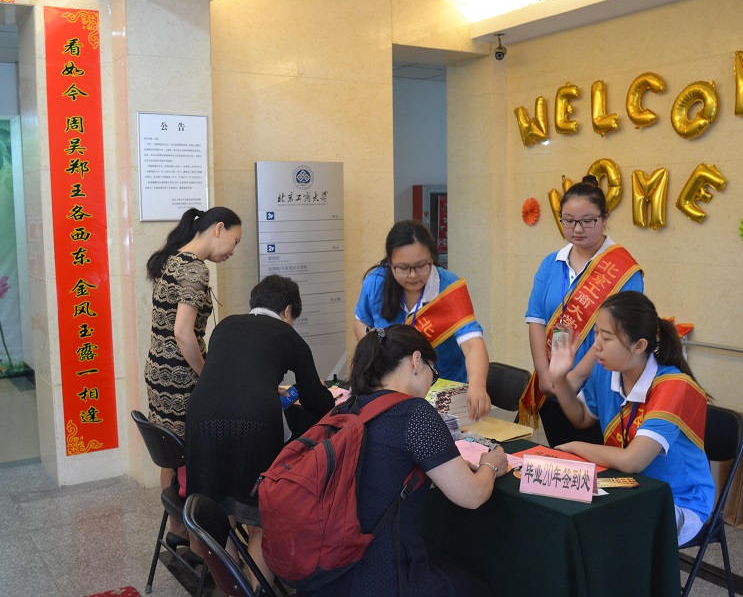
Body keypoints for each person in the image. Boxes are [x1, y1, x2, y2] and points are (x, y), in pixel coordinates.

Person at [302, 324, 507, 597]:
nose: (431, 383)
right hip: (383, 574)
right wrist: (490, 464)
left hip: (327, 570)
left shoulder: (347, 407)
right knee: (477, 588)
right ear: (416, 360)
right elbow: (473, 495)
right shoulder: (414, 412)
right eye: (434, 374)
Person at [185, 274, 335, 585]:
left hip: (201, 418)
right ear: (288, 310)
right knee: (260, 519)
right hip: (254, 423)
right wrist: (331, 397)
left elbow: (232, 375)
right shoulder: (288, 335)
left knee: (218, 509)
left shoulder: (225, 326)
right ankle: (257, 589)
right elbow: (315, 401)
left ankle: (232, 583)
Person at [548, 291, 714, 545]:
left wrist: (573, 447)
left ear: (639, 346)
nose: (596, 346)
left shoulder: (673, 386)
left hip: (679, 502)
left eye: (607, 337)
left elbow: (632, 461)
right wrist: (559, 378)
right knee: (562, 509)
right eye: (596, 334)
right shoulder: (607, 371)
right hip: (629, 488)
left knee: (600, 530)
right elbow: (581, 418)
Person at [521, 175, 644, 447]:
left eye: (587, 221)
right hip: (551, 390)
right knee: (561, 458)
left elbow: (617, 335)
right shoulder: (551, 263)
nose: (577, 229)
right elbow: (536, 319)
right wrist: (545, 373)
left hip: (599, 390)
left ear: (604, 218)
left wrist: (574, 378)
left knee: (595, 465)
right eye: (568, 221)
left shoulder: (625, 272)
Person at [144, 205, 242, 535]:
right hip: (181, 378)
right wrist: (207, 376)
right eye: (234, 241)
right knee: (193, 456)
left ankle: (177, 533)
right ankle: (199, 538)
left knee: (170, 453)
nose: (232, 251)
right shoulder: (195, 269)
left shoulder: (172, 258)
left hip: (158, 371)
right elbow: (183, 333)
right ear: (218, 228)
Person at [355, 220, 491, 421]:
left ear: (432, 258)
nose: (412, 275)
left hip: (443, 392)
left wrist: (477, 385)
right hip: (390, 392)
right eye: (403, 268)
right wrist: (375, 362)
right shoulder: (376, 283)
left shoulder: (449, 288)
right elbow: (361, 322)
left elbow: (472, 344)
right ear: (390, 262)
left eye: (421, 266)